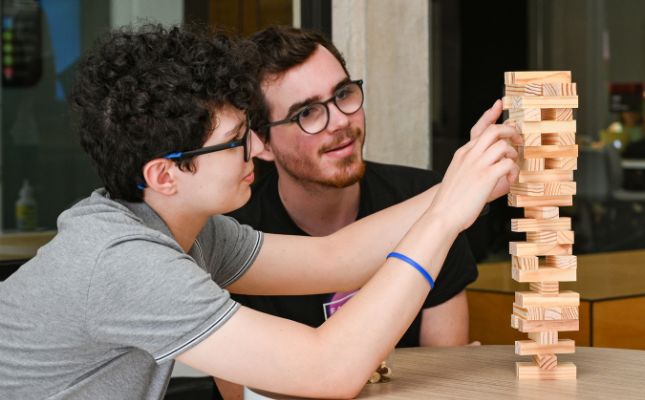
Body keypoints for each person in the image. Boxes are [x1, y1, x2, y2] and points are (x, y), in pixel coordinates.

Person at [0, 23, 520, 399]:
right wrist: (447, 214)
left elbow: (333, 259)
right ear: (165, 174)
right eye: (232, 142)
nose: (255, 148)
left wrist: (469, 183)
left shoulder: (184, 229)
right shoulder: (123, 262)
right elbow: (327, 369)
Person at [213, 26, 479, 398]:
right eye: (307, 113)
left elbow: (445, 375)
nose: (340, 121)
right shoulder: (229, 231)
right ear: (263, 144)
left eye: (343, 94)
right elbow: (244, 395)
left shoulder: (422, 197)